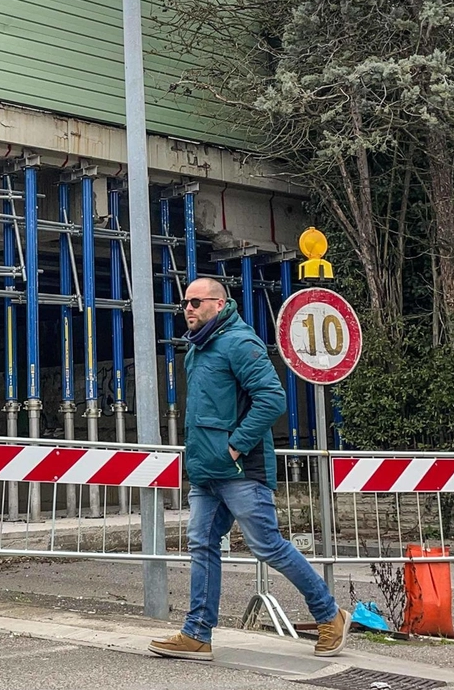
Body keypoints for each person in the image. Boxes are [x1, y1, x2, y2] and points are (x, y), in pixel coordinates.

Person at [149, 277, 349, 660]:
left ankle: (330, 616)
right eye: (184, 303)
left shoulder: (239, 342)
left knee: (267, 545)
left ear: (219, 304)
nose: (187, 308)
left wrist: (237, 446)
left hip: (241, 471)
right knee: (202, 544)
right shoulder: (198, 350)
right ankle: (196, 634)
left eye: (195, 302)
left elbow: (272, 398)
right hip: (208, 472)